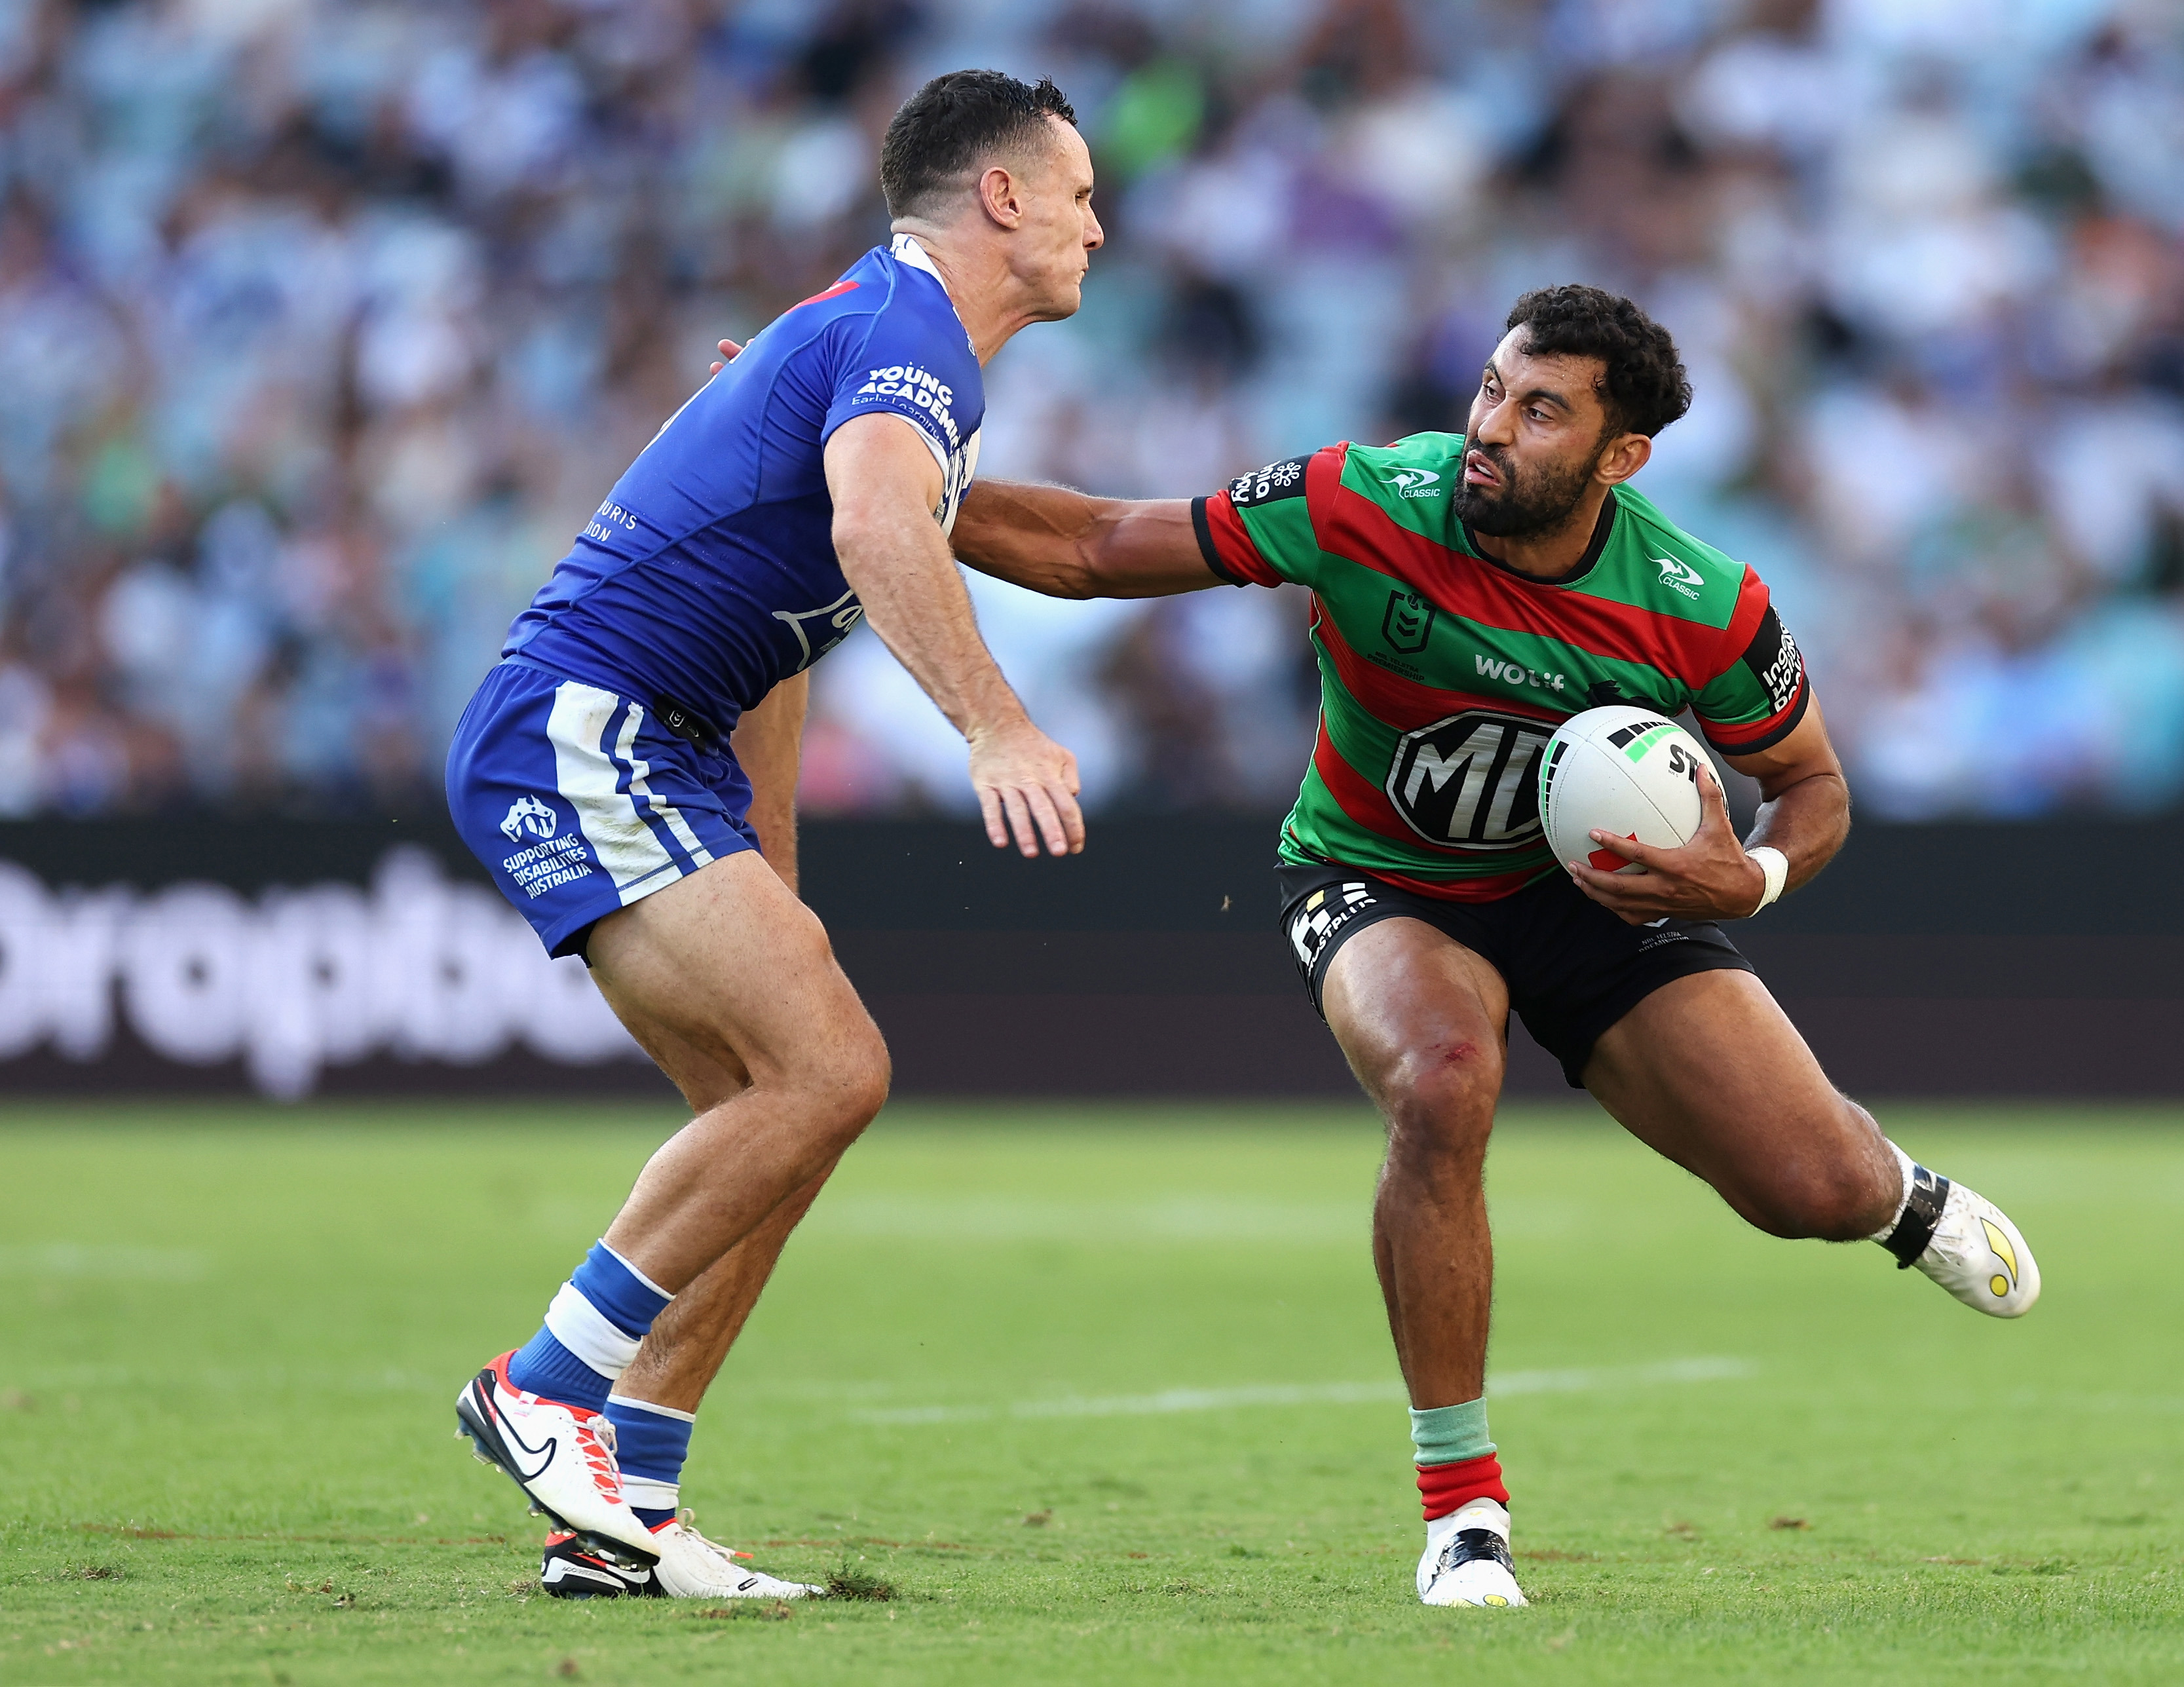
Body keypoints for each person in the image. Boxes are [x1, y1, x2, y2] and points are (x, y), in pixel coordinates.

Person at [947, 285, 2042, 1609]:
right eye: (1491, 390)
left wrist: (1744, 871)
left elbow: (1815, 787)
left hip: (1599, 903)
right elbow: (1104, 542)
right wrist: (892, 483)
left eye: (1539, 412)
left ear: (1619, 456)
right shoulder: (1366, 500)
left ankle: (1899, 1193)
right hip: (1377, 875)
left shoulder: (1703, 601)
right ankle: (1464, 1510)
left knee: (1811, 1187)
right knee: (1443, 1078)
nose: (1490, 428)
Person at [441, 69, 1102, 1599]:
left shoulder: (873, 333)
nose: (1097, 223)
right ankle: (544, 1388)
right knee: (833, 1072)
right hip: (587, 728)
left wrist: (774, 893)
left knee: (781, 1114)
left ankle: (626, 1520)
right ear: (999, 198)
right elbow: (875, 538)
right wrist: (997, 725)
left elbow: (783, 635)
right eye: (1075, 193)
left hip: (639, 745)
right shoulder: (908, 337)